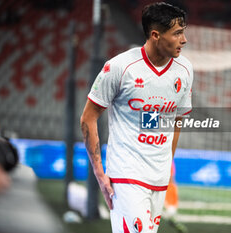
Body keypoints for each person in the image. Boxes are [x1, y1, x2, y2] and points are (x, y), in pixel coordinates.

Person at [80, 2, 193, 233]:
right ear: (155, 35)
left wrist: (166, 162)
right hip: (127, 174)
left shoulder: (185, 70)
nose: (184, 40)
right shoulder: (120, 68)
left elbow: (177, 120)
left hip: (159, 179)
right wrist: (100, 174)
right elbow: (88, 118)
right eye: (177, 33)